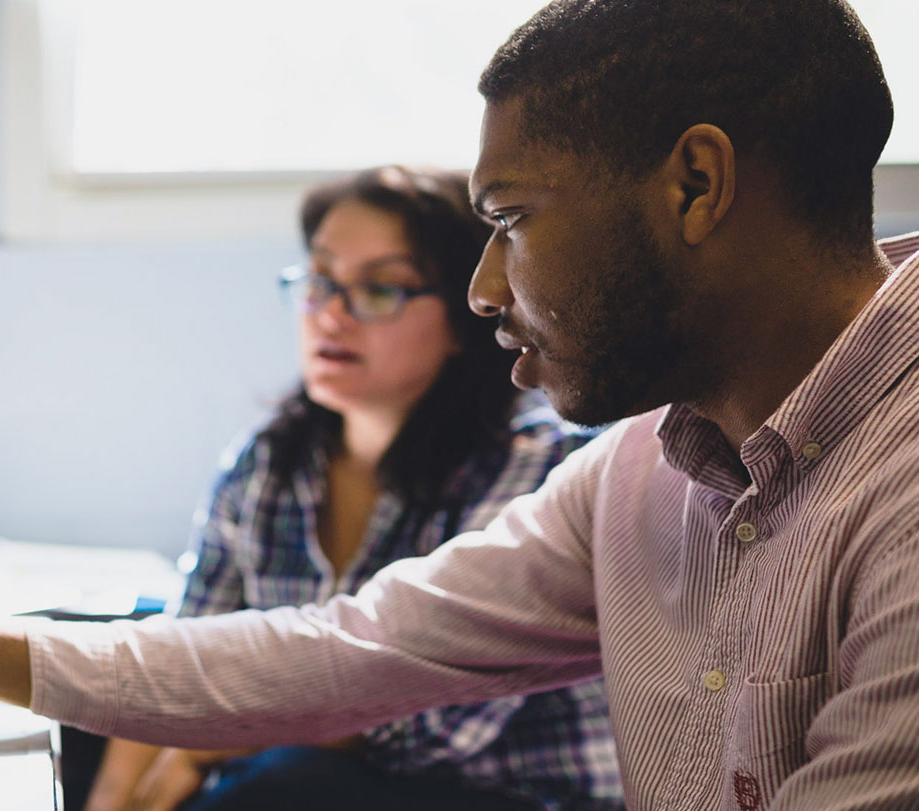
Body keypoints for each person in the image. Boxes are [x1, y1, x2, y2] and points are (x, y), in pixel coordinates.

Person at [0, 2, 919, 808]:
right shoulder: (647, 466)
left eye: (510, 218)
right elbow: (333, 650)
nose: (486, 286)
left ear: (695, 185)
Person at [80, 166, 620, 811]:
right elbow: (180, 659)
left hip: (509, 795)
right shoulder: (269, 464)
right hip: (303, 775)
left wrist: (206, 746)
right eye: (319, 281)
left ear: (459, 314)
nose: (331, 314)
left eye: (380, 289)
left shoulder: (538, 461)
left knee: (282, 787)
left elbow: (428, 719)